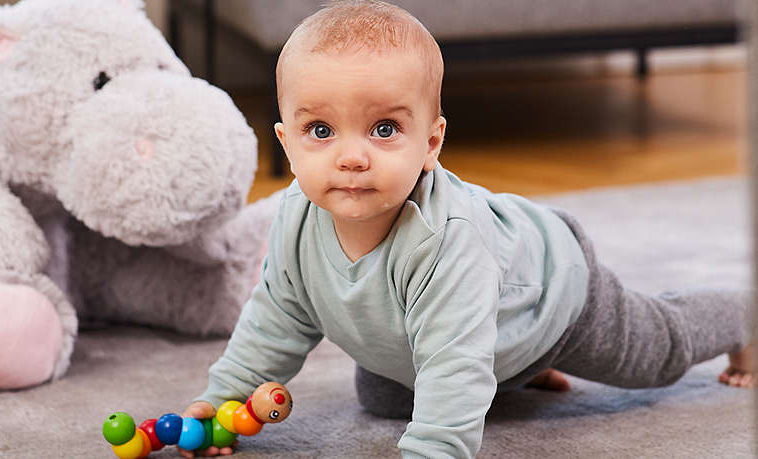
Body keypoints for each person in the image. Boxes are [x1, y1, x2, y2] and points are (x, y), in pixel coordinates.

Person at [178, 1, 755, 457]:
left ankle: (742, 317)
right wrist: (223, 403)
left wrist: (436, 450)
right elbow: (277, 317)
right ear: (285, 142)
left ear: (431, 143)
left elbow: (453, 372)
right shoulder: (293, 219)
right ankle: (515, 364)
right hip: (444, 330)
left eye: (383, 129)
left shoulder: (446, 242)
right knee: (382, 396)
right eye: (321, 131)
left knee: (652, 355)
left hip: (553, 288)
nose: (351, 157)